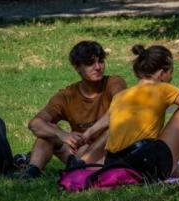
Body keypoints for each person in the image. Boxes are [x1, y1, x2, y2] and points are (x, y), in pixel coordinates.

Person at [81, 44, 179, 182]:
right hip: (145, 162)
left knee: (155, 148)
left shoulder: (121, 96)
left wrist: (87, 133)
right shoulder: (162, 88)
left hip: (114, 165)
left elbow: (108, 118)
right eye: (170, 73)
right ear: (161, 73)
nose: (171, 78)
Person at [15, 40, 127, 179]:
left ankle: (78, 167)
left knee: (114, 126)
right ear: (77, 67)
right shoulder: (67, 96)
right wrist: (62, 135)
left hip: (110, 151)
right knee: (47, 134)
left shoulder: (114, 82)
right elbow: (35, 124)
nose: (98, 67)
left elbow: (121, 110)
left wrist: (89, 133)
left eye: (101, 61)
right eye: (90, 63)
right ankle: (31, 173)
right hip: (81, 151)